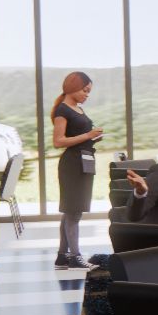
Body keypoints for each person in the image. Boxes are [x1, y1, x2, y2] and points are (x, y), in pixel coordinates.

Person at [50, 71, 104, 268]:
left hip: (84, 162)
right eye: (85, 90)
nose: (87, 95)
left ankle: (63, 256)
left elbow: (81, 135)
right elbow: (58, 141)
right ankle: (76, 257)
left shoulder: (77, 108)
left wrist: (92, 136)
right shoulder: (62, 110)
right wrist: (88, 135)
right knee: (73, 212)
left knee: (70, 212)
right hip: (72, 164)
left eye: (88, 92)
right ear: (73, 87)